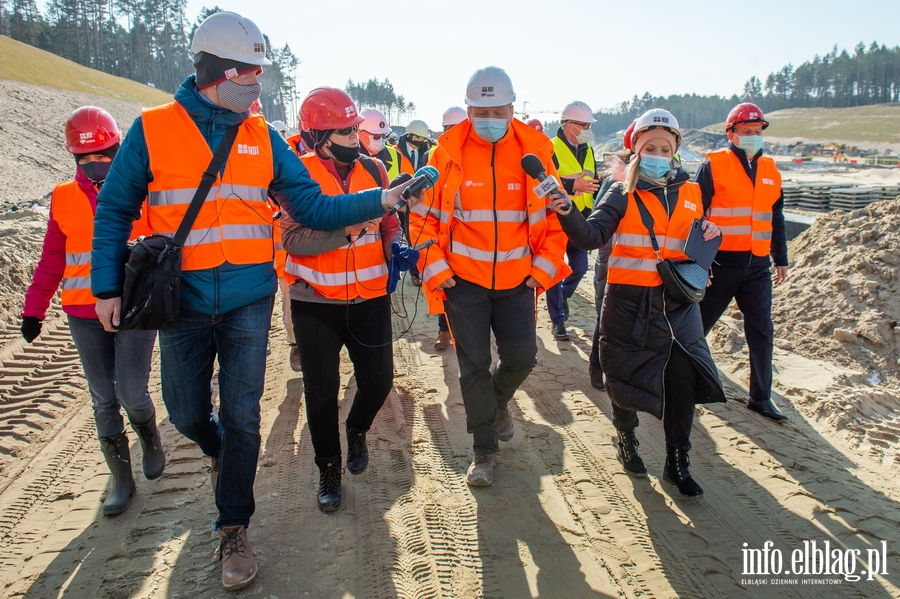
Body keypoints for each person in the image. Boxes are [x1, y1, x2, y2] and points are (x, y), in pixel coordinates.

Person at [90, 11, 421, 592]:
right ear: (218, 70)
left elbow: (314, 209)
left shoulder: (261, 137)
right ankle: (219, 454)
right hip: (183, 302)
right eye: (252, 73)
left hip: (248, 299)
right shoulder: (152, 129)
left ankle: (233, 526)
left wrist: (382, 198)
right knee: (188, 411)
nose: (259, 85)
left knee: (244, 413)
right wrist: (106, 287)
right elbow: (114, 210)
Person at [550, 108, 726, 499]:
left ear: (676, 149)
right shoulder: (619, 190)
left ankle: (677, 459)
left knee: (683, 381)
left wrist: (711, 231)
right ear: (636, 149)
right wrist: (564, 209)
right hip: (628, 301)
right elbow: (591, 236)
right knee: (623, 380)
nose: (658, 154)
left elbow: (695, 234)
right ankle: (626, 437)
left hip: (678, 304)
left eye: (665, 147)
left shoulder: (693, 190)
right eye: (651, 147)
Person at [411, 66, 570, 487]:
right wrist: (436, 269)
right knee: (473, 364)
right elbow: (423, 219)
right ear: (468, 109)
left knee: (522, 357)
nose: (489, 118)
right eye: (480, 111)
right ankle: (483, 451)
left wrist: (541, 272)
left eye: (497, 110)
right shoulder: (445, 154)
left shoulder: (534, 152)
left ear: (512, 108)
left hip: (519, 281)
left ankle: (497, 404)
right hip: (463, 282)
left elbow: (553, 221)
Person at [21, 106, 164, 517]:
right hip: (83, 312)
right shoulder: (63, 197)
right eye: (86, 158)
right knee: (103, 398)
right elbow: (52, 258)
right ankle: (121, 479)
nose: (96, 164)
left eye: (105, 154)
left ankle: (149, 434)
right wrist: (35, 308)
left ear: (119, 150)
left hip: (136, 307)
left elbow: (166, 243)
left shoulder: (142, 190)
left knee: (131, 392)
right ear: (73, 159)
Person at [280, 87, 408, 513]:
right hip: (315, 302)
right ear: (318, 136)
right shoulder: (296, 174)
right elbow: (293, 239)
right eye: (344, 131)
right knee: (320, 393)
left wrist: (398, 243)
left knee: (378, 381)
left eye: (355, 129)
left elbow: (388, 222)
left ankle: (356, 429)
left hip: (370, 297)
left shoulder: (374, 168)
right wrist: (344, 233)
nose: (354, 138)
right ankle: (328, 469)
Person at [694, 102, 789, 422]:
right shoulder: (713, 165)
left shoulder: (771, 170)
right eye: (746, 132)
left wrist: (781, 258)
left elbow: (776, 217)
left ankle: (761, 397)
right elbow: (696, 214)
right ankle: (682, 384)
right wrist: (698, 263)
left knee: (762, 331)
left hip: (758, 266)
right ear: (730, 135)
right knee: (697, 327)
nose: (753, 137)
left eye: (757, 132)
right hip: (720, 265)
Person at [546, 101, 600, 340]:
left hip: (581, 219)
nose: (588, 129)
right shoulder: (550, 147)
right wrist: (569, 184)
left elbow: (593, 180)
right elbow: (541, 184)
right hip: (555, 218)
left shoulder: (588, 149)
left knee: (579, 268)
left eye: (589, 124)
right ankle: (558, 321)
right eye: (584, 124)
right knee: (554, 270)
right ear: (569, 125)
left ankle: (563, 296)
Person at [588, 118, 635, 390]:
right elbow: (599, 213)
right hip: (613, 256)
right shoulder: (619, 174)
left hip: (650, 263)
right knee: (605, 316)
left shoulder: (667, 174)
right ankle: (598, 365)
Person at [424, 106, 468, 350]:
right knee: (445, 287)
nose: (451, 133)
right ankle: (443, 330)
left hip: (471, 243)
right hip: (445, 235)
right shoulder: (436, 155)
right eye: (447, 129)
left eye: (455, 128)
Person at [359, 108, 402, 180]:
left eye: (384, 135)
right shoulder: (349, 157)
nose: (381, 139)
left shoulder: (395, 155)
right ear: (360, 134)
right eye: (376, 136)